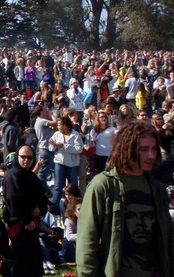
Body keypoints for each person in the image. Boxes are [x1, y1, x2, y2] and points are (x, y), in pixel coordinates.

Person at [77, 121, 174, 277]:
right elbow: (87, 243)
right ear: (127, 149)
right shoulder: (103, 186)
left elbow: (167, 241)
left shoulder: (157, 188)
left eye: (154, 149)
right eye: (144, 149)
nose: (151, 155)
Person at [2, 144, 49, 277]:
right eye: (23, 157)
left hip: (32, 225)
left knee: (34, 261)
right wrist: (28, 220)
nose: (26, 160)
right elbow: (14, 201)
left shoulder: (31, 176)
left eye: (30, 157)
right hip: (19, 226)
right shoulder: (13, 176)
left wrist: (40, 209)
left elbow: (42, 197)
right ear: (17, 157)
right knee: (21, 264)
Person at [49, 116, 83, 208]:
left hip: (72, 165)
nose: (58, 127)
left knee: (73, 186)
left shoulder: (75, 135)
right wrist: (53, 145)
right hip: (59, 163)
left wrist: (65, 146)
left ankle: (75, 206)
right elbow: (51, 149)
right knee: (58, 186)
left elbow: (79, 149)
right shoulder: (56, 134)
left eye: (60, 125)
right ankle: (55, 207)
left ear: (65, 126)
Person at [61, 196, 81, 263]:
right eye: (79, 209)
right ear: (74, 211)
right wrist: (83, 235)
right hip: (69, 245)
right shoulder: (69, 220)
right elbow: (69, 237)